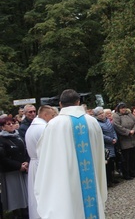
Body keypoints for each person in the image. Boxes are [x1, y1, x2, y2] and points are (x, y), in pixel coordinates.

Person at [35, 89, 107, 219]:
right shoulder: (92, 122)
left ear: (60, 104)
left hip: (65, 179)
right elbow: (99, 152)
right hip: (90, 179)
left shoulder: (54, 124)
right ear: (78, 102)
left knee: (68, 208)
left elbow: (44, 155)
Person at [25, 105, 56, 219]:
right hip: (43, 164)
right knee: (45, 196)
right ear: (45, 115)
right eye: (52, 116)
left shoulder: (32, 127)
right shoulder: (44, 128)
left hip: (35, 163)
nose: (53, 118)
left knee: (36, 196)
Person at [0, 117, 29, 219]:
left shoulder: (18, 136)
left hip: (22, 169)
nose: (11, 125)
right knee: (14, 196)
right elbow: (2, 158)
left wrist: (26, 162)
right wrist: (18, 166)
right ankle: (16, 214)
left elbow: (25, 150)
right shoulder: (2, 139)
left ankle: (25, 212)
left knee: (24, 195)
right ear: (3, 127)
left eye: (12, 123)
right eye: (8, 124)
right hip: (11, 171)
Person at [112, 102, 135, 179]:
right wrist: (128, 132)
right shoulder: (116, 116)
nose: (124, 109)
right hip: (124, 139)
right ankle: (126, 174)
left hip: (133, 139)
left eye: (124, 108)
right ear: (118, 109)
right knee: (126, 158)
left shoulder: (129, 114)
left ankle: (133, 171)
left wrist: (134, 130)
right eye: (122, 108)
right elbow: (117, 126)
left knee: (133, 157)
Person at [93, 107, 119, 187]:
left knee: (112, 163)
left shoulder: (108, 120)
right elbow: (101, 135)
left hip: (112, 143)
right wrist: (111, 140)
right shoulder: (97, 123)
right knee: (106, 164)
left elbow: (112, 130)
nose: (102, 115)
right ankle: (107, 181)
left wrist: (115, 138)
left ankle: (112, 178)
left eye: (102, 113)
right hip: (105, 145)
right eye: (99, 114)